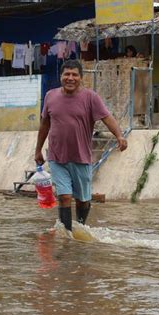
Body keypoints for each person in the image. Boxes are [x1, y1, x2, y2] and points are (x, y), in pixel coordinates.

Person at [34, 59, 128, 234]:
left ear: (81, 78)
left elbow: (106, 117)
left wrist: (119, 135)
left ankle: (81, 228)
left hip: (81, 157)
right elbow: (44, 124)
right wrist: (38, 149)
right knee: (64, 197)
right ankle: (67, 234)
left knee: (83, 200)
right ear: (60, 76)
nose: (70, 78)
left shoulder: (90, 97)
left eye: (74, 75)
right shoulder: (50, 96)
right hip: (57, 157)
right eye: (66, 74)